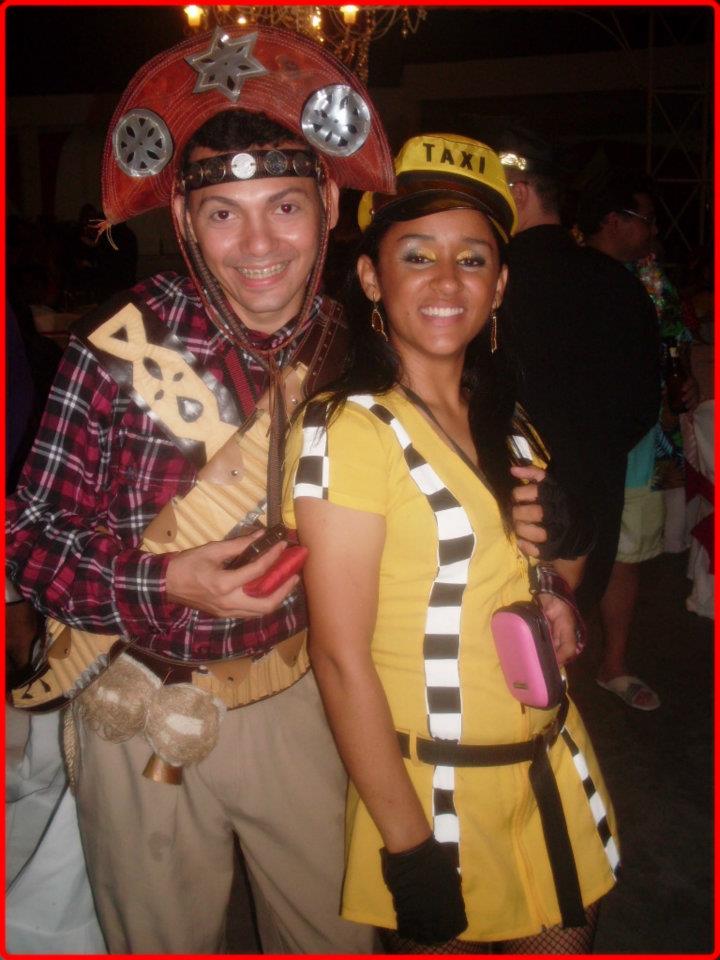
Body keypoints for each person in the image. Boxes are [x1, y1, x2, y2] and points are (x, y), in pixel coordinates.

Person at [5, 25, 396, 954]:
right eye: (224, 213)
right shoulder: (117, 345)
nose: (258, 243)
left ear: (329, 205)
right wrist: (166, 582)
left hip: (301, 697)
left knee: (336, 939)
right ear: (184, 219)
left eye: (285, 206)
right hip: (133, 707)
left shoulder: (367, 351)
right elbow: (25, 539)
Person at [282, 134, 619, 953]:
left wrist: (564, 563)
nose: (445, 280)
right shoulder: (346, 431)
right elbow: (340, 658)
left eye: (472, 259)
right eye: (417, 255)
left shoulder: (510, 420)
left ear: (499, 285)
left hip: (551, 762)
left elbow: (548, 576)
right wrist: (408, 849)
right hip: (433, 795)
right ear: (372, 277)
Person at [492, 130, 660, 618]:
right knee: (566, 630)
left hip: (510, 505)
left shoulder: (489, 282)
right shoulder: (619, 284)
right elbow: (643, 406)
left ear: (518, 193)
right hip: (592, 504)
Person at [576, 170, 699, 710]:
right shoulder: (567, 273)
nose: (653, 231)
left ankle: (614, 665)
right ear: (612, 220)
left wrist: (685, 381)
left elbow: (675, 345)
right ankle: (547, 665)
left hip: (640, 443)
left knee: (627, 556)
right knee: (560, 548)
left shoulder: (653, 280)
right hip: (575, 443)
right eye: (645, 219)